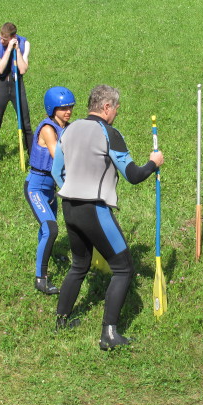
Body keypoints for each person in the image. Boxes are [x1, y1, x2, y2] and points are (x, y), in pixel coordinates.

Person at [51, 84, 164, 350]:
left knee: (79, 264)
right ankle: (109, 334)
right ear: (106, 107)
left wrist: (73, 190)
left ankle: (62, 320)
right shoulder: (109, 133)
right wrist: (153, 163)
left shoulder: (69, 129)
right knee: (123, 268)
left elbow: (57, 172)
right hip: (95, 209)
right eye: (115, 108)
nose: (116, 113)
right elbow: (133, 176)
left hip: (69, 206)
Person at [24, 86, 76, 295]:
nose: (68, 111)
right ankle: (40, 278)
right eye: (63, 108)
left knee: (47, 229)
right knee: (51, 228)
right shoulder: (48, 129)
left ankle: (48, 253)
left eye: (70, 107)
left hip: (50, 188)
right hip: (36, 186)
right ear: (52, 108)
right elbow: (58, 157)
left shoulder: (67, 126)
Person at [0, 22, 33, 162]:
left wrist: (17, 50)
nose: (2, 40)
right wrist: (8, 50)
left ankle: (33, 158)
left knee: (26, 124)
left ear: (13, 37)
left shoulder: (25, 44)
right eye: (1, 37)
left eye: (5, 39)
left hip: (17, 85)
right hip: (1, 85)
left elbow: (23, 69)